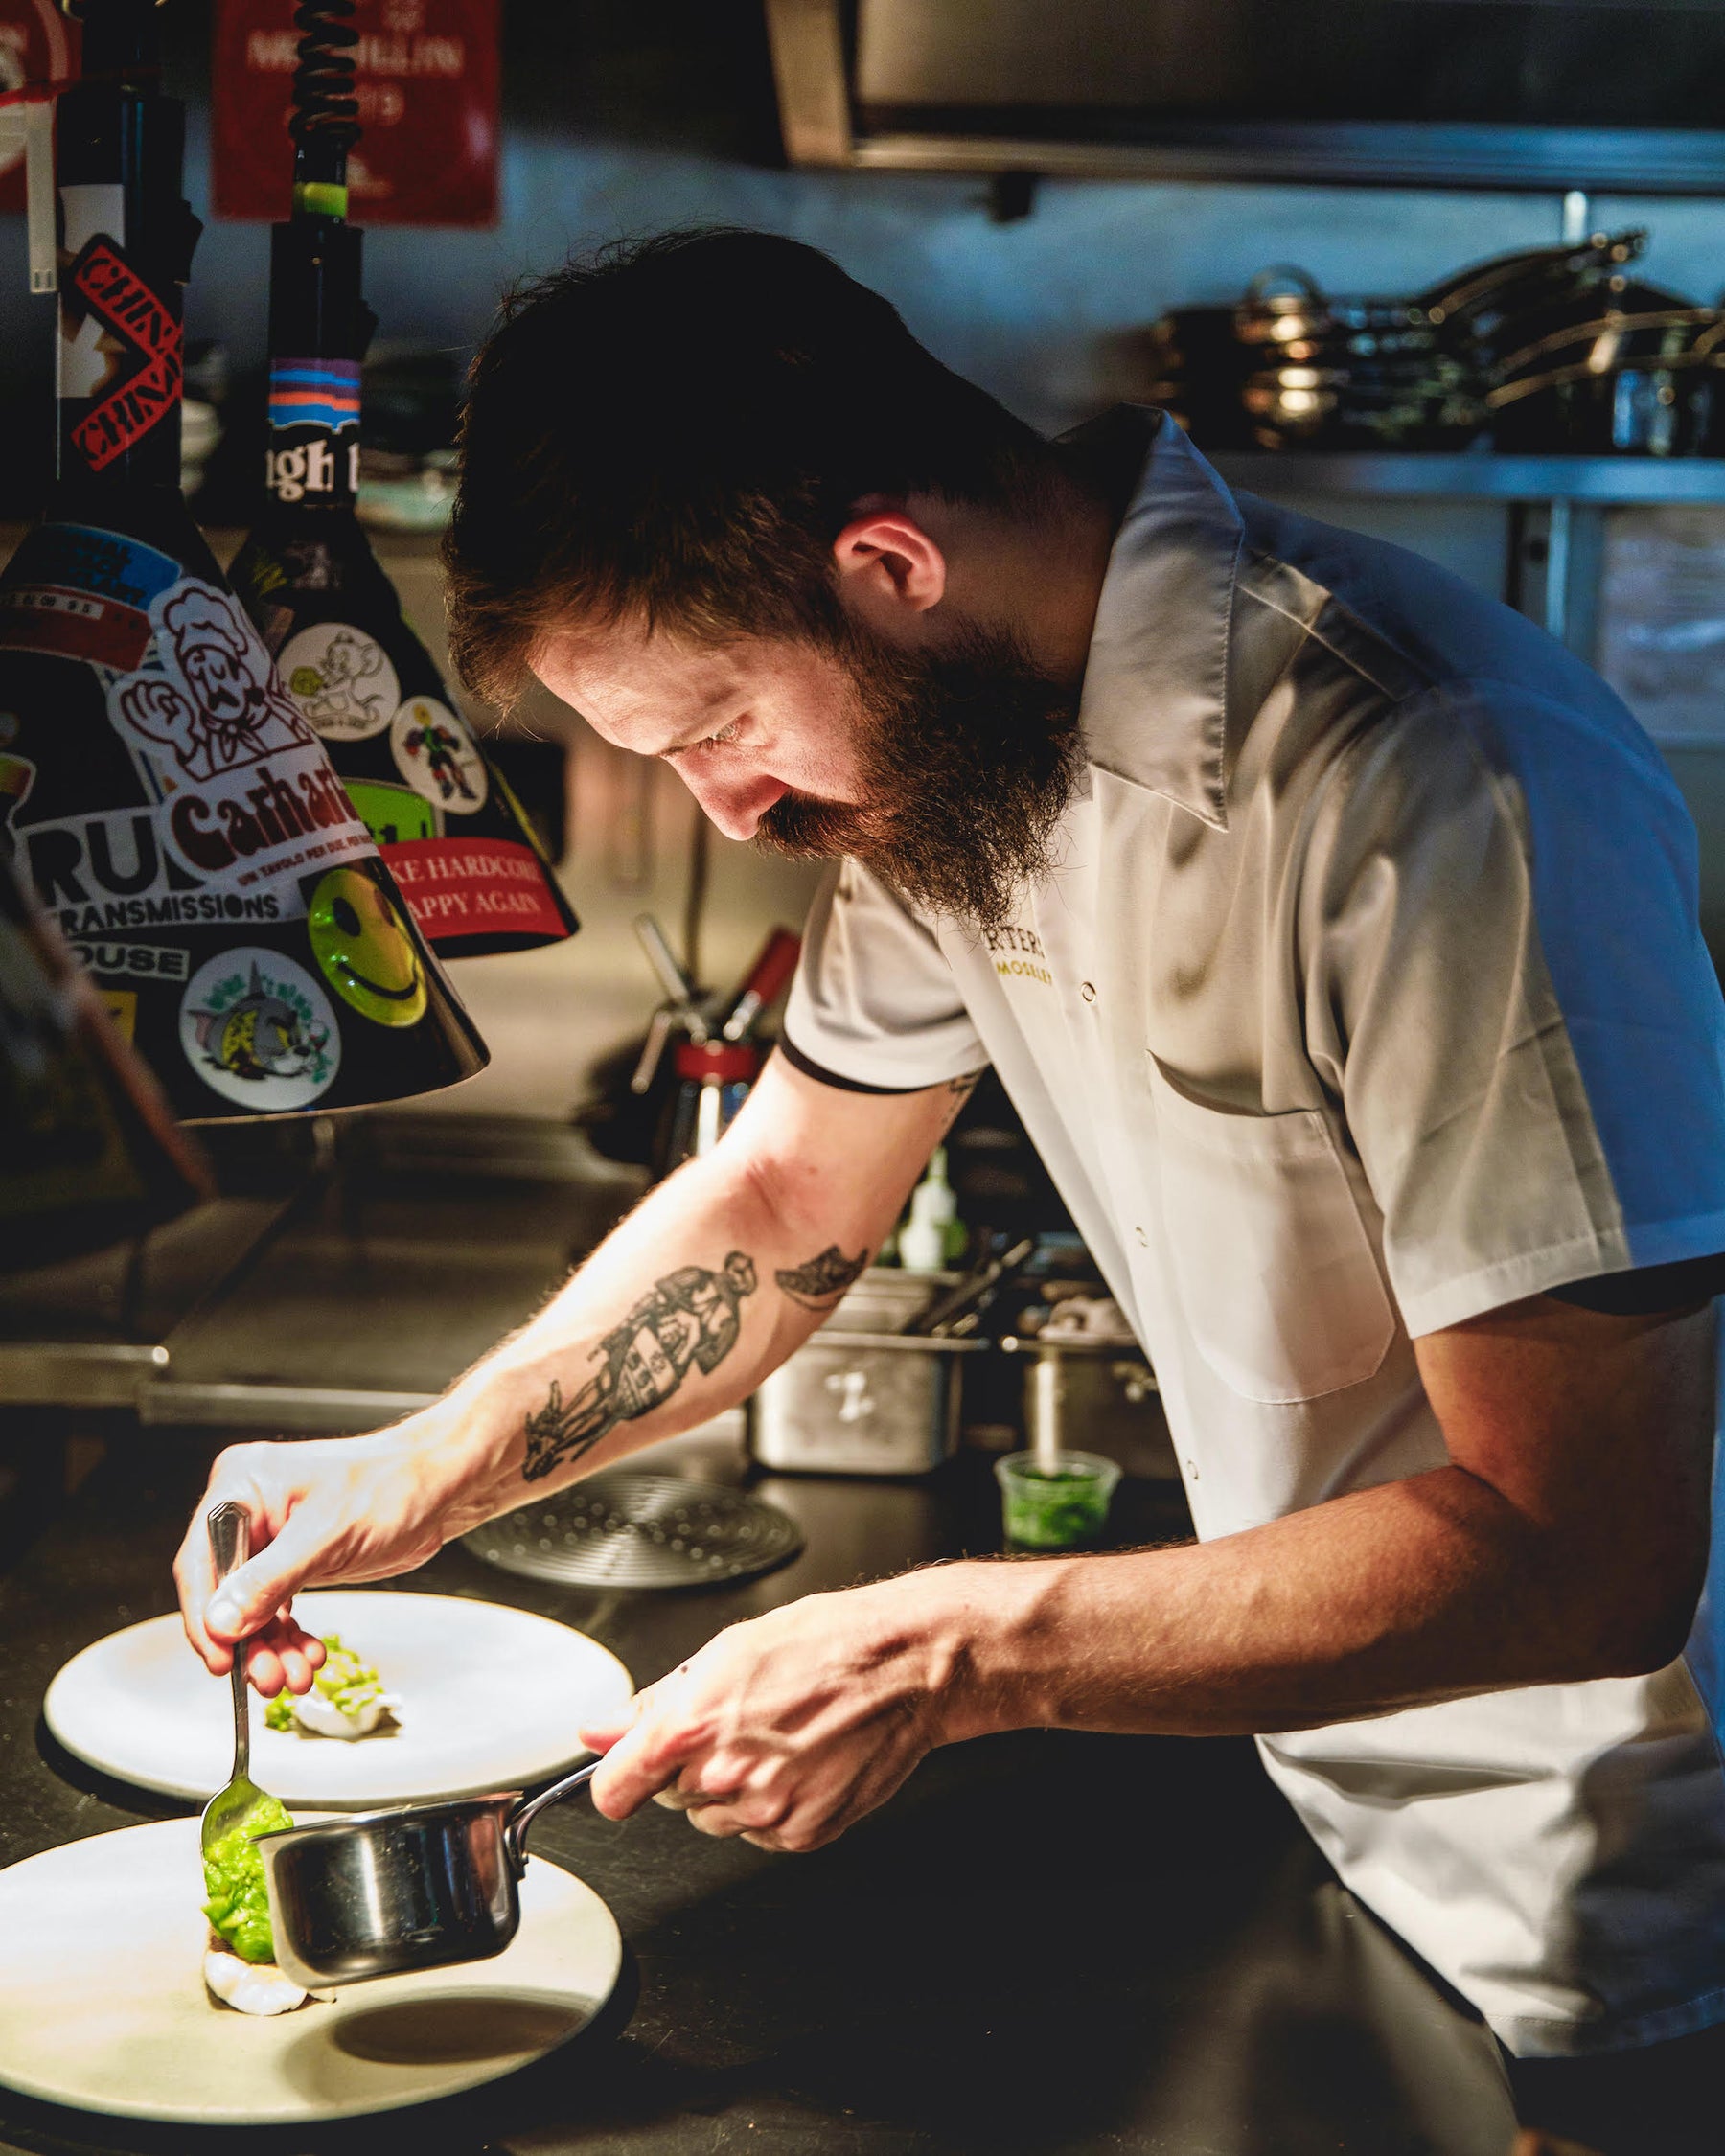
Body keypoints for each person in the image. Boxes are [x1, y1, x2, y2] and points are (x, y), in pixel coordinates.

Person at [175, 231, 1725, 2136]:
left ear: (892, 565)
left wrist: (942, 1650)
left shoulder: (1440, 787)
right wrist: (427, 1464)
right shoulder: (955, 767)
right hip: (1342, 1799)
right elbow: (789, 1198)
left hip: (1623, 1913)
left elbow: (1590, 1554)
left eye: (719, 727)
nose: (729, 812)